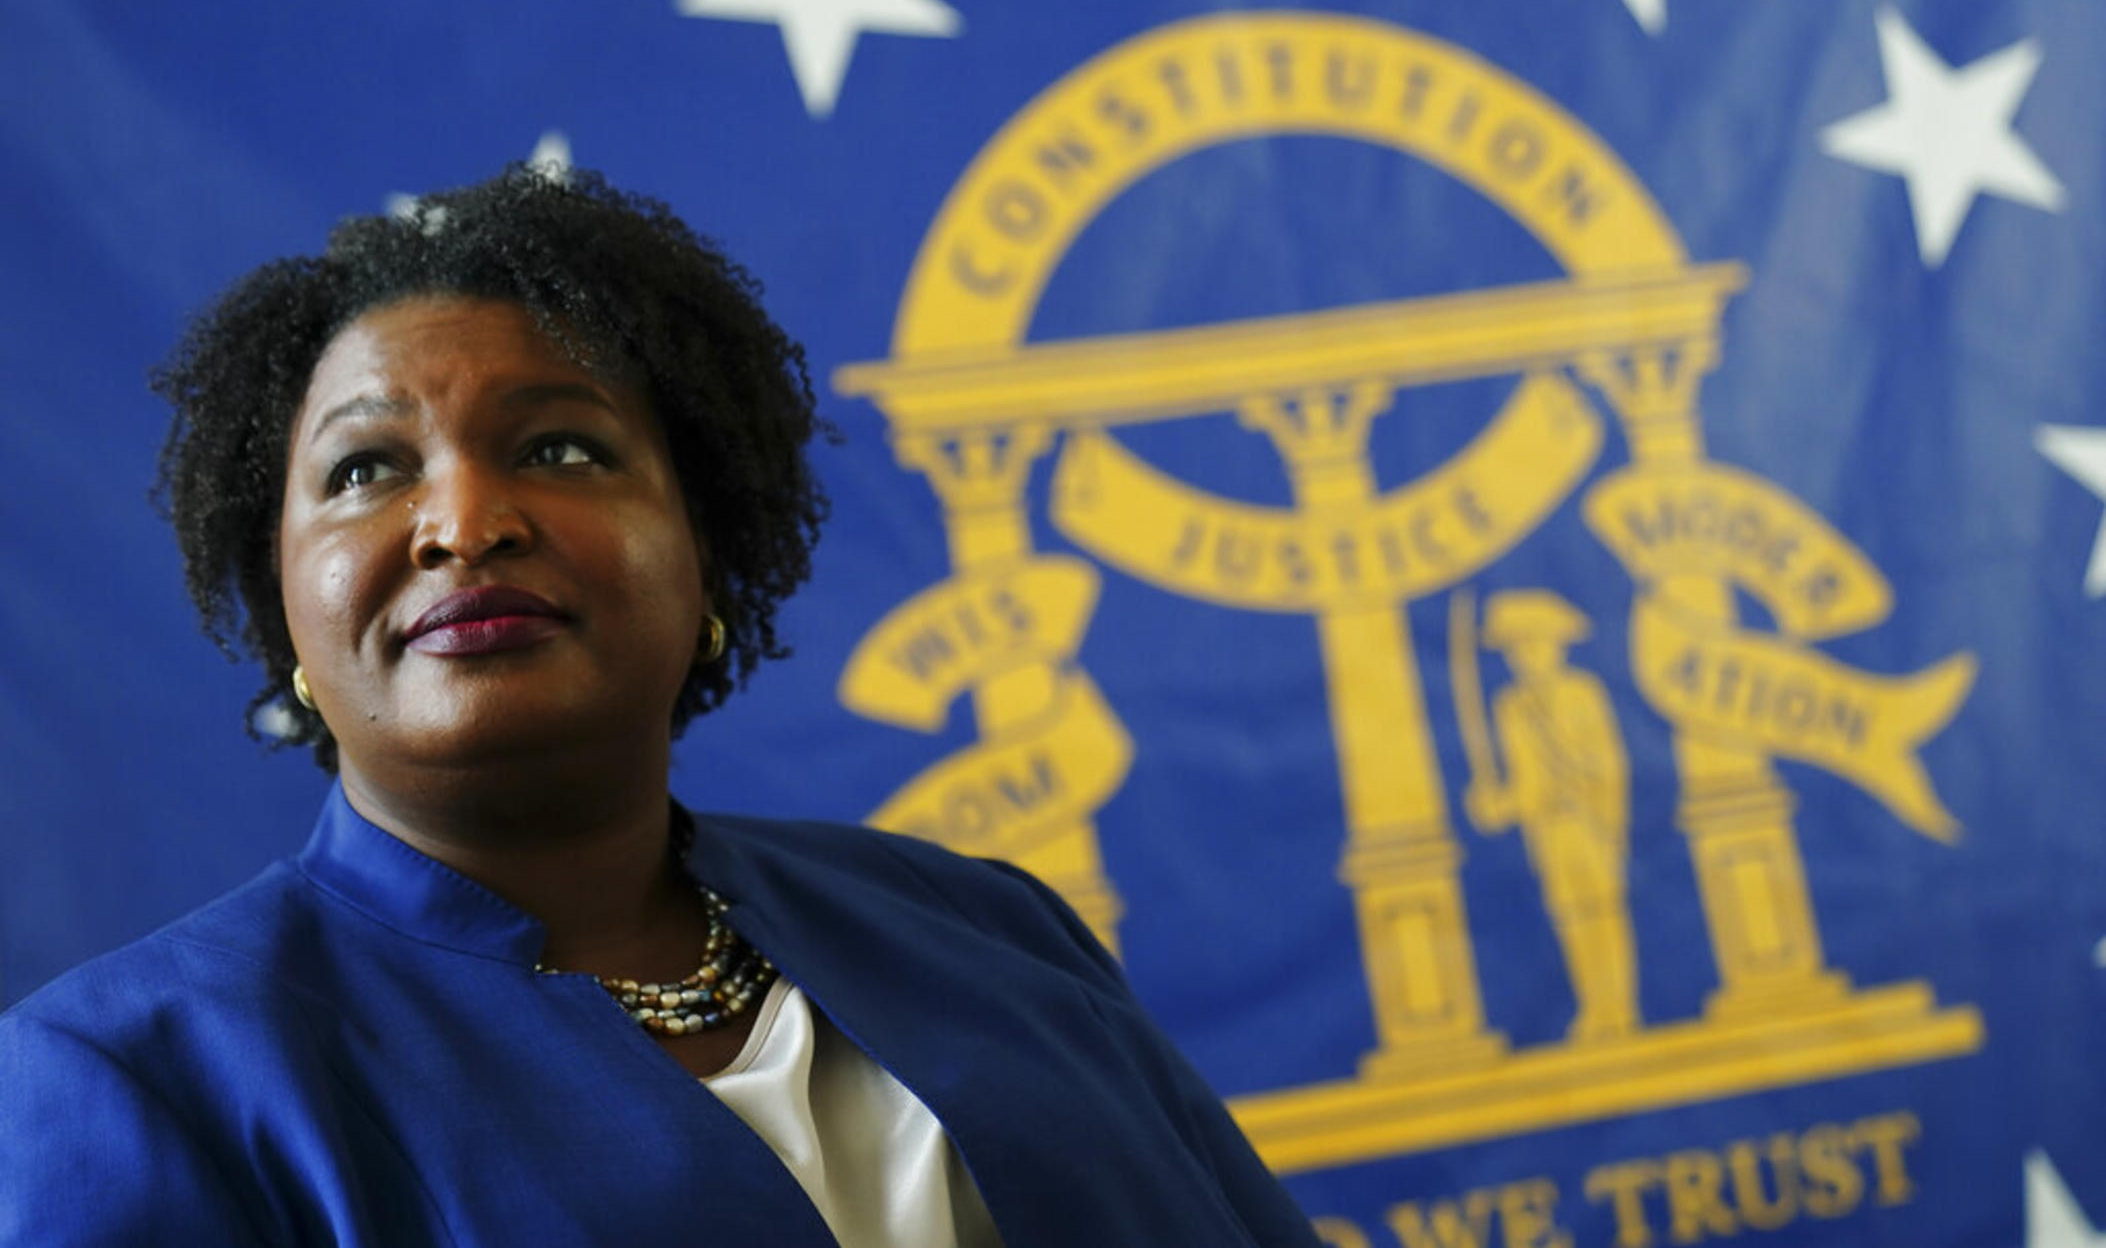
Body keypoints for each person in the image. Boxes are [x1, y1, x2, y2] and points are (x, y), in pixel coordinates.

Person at [0, 166, 1319, 1246]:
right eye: (364, 468)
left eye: (559, 447)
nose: (466, 520)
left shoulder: (985, 923)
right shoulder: (129, 1081)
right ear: (281, 600)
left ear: (704, 553)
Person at [1464, 588, 1639, 1043]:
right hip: (1548, 831)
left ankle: (1619, 1007)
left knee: (1603, 910)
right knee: (1571, 915)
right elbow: (1525, 780)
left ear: (1557, 645)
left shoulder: (1583, 693)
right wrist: (1498, 805)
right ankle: (1596, 1008)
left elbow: (1607, 761)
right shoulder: (1511, 707)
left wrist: (1595, 812)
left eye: (1536, 643)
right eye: (1517, 648)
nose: (1527, 656)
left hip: (1589, 819)